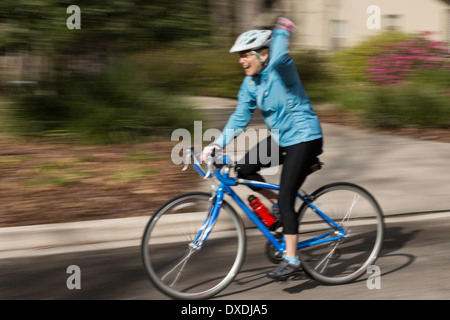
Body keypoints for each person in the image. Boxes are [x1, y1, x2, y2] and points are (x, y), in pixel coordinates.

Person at [202, 17, 323, 280]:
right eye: (239, 56)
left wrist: (281, 30)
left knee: (287, 196)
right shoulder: (250, 84)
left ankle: (293, 261)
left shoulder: (282, 70)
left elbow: (279, 58)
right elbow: (239, 117)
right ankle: (278, 206)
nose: (241, 60)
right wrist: (215, 144)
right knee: (244, 169)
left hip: (304, 137)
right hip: (282, 138)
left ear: (262, 54)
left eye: (246, 54)